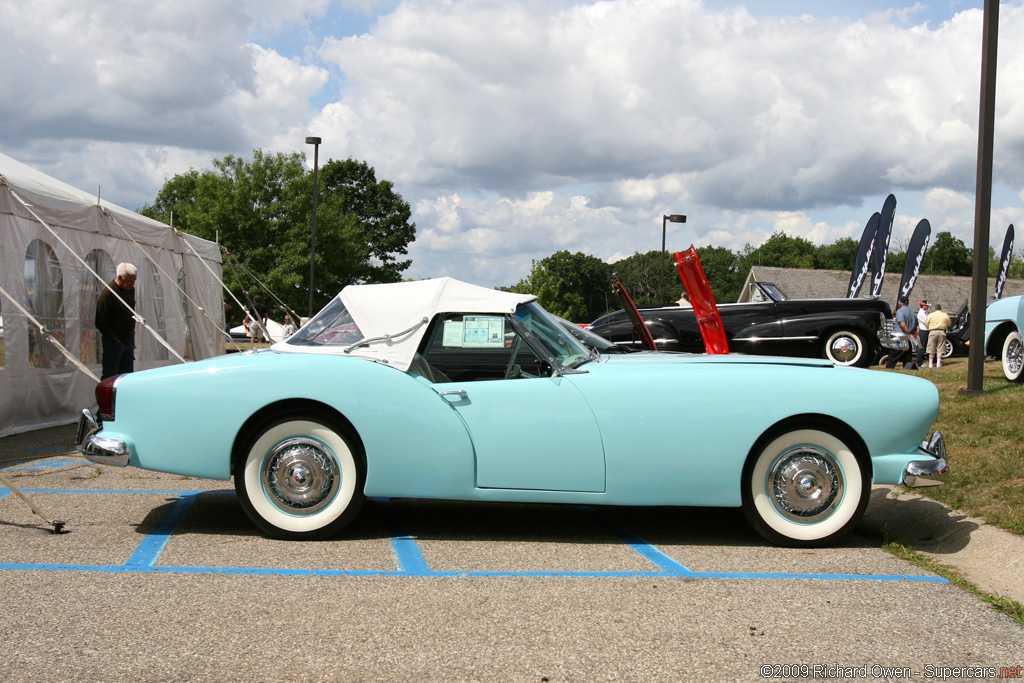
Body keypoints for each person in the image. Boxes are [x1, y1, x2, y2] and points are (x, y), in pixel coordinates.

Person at [95, 262, 138, 380]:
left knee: (127, 377)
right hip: (114, 343)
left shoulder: (130, 290)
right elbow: (99, 321)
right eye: (130, 281)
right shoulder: (108, 294)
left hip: (128, 341)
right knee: (111, 377)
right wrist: (115, 340)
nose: (132, 284)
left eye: (134, 281)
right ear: (120, 278)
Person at [886, 296, 919, 370]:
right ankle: (908, 370)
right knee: (907, 358)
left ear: (900, 303)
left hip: (901, 337)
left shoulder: (900, 311)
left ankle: (888, 369)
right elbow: (918, 328)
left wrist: (908, 333)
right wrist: (913, 335)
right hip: (909, 339)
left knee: (893, 356)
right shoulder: (912, 312)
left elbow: (902, 324)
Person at [925, 303, 952, 368]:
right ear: (940, 309)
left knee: (931, 347)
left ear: (934, 309)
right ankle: (938, 363)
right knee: (940, 347)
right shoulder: (945, 315)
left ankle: (930, 364)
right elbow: (949, 324)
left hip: (933, 331)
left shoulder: (931, 315)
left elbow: (926, 323)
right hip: (942, 331)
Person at [916, 301, 930, 367]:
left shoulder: (925, 312)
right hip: (923, 331)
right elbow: (926, 322)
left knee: (924, 347)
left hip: (926, 331)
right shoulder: (921, 313)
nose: (928, 307)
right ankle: (919, 362)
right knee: (921, 347)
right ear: (923, 306)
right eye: (927, 306)